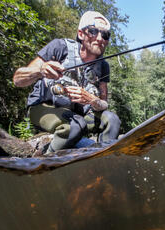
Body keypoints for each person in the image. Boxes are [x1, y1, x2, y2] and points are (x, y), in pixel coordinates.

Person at [13, 11, 120, 153]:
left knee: (112, 120)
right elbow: (17, 80)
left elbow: (104, 103)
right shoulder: (59, 47)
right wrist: (40, 70)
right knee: (75, 125)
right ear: (81, 34)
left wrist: (93, 100)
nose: (100, 38)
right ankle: (44, 164)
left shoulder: (103, 66)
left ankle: (103, 162)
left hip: (77, 115)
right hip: (43, 108)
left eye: (105, 35)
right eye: (93, 31)